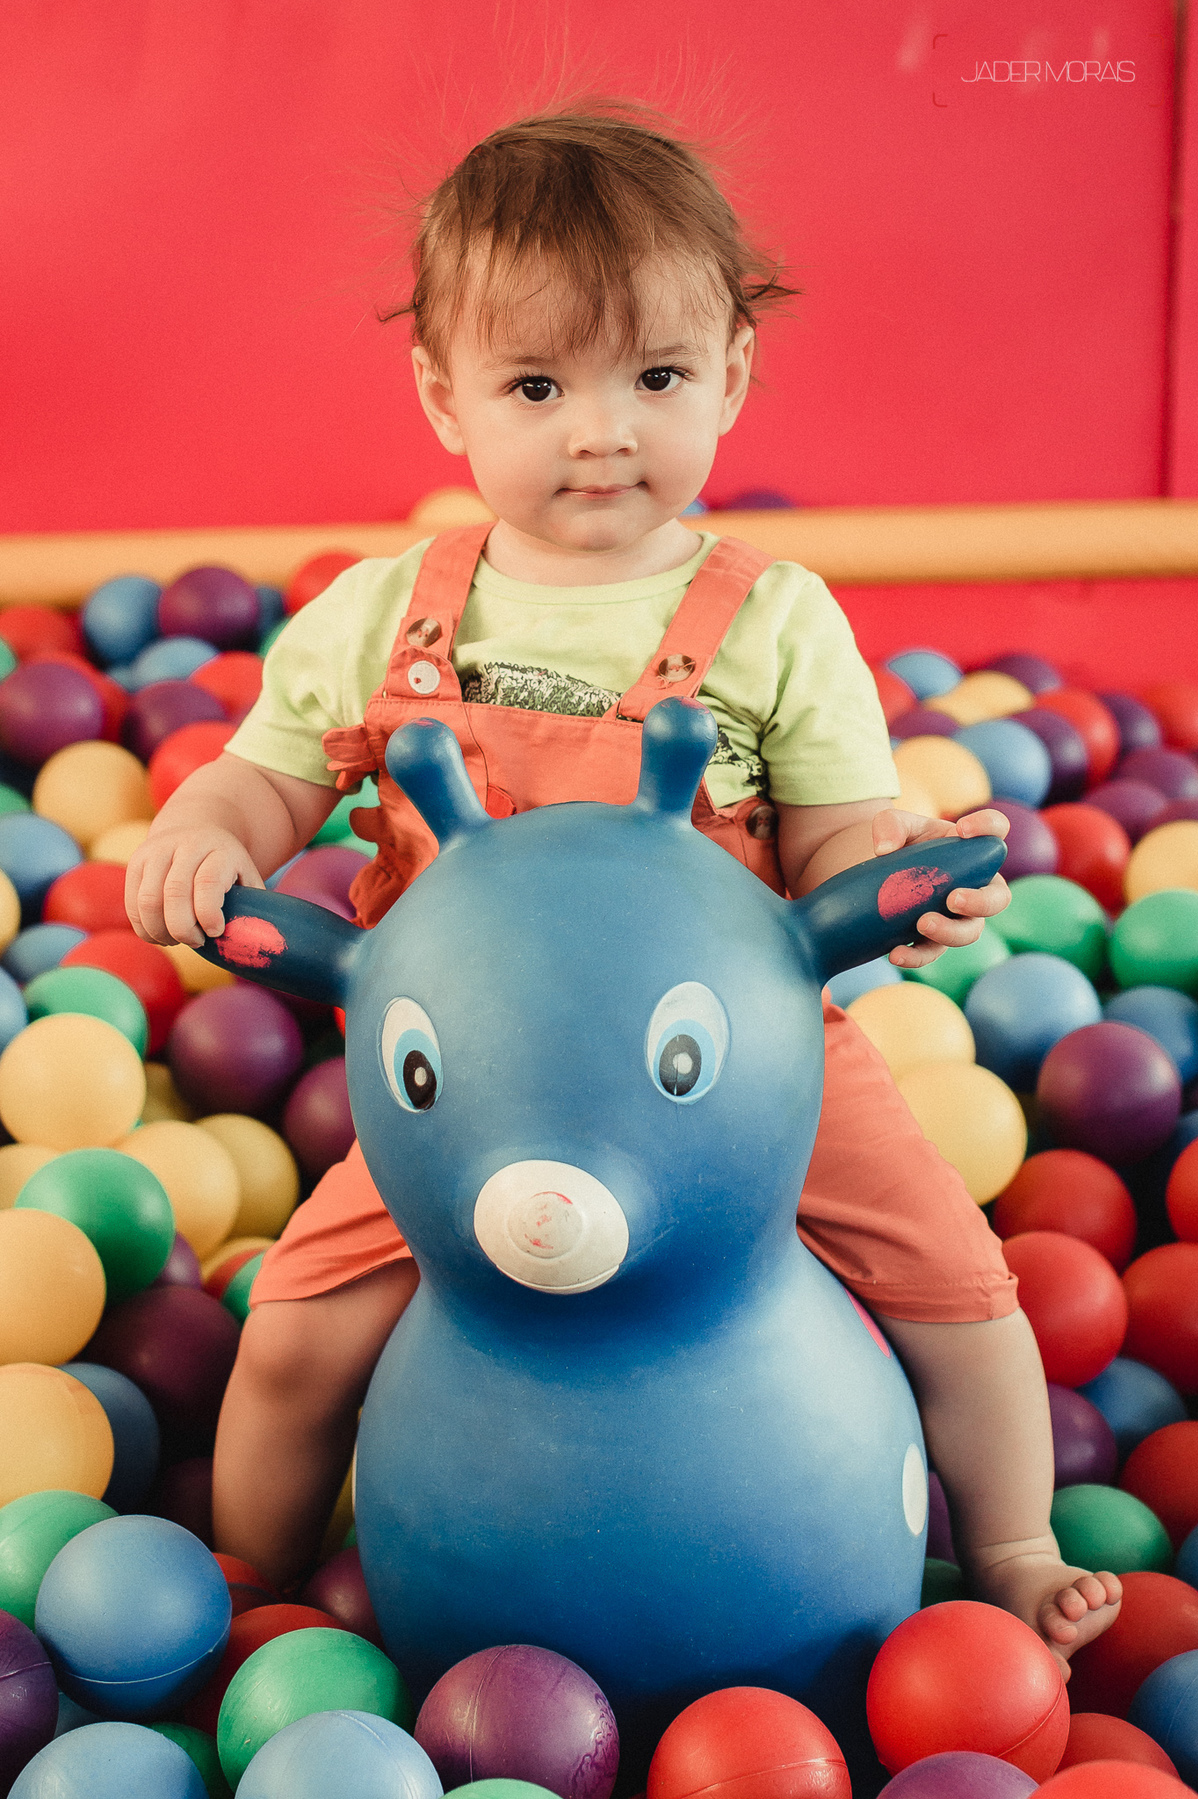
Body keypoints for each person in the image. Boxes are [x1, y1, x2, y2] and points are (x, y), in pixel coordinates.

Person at [126, 107, 1120, 1663]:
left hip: (732, 1076)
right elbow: (267, 774)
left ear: (732, 371)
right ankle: (251, 1589)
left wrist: (899, 883)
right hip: (467, 1097)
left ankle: (1005, 1546)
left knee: (959, 1283)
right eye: (538, 386)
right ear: (443, 400)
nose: (602, 432)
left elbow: (843, 837)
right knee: (297, 1333)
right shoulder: (381, 616)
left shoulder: (776, 620)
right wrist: (205, 826)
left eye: (653, 379)